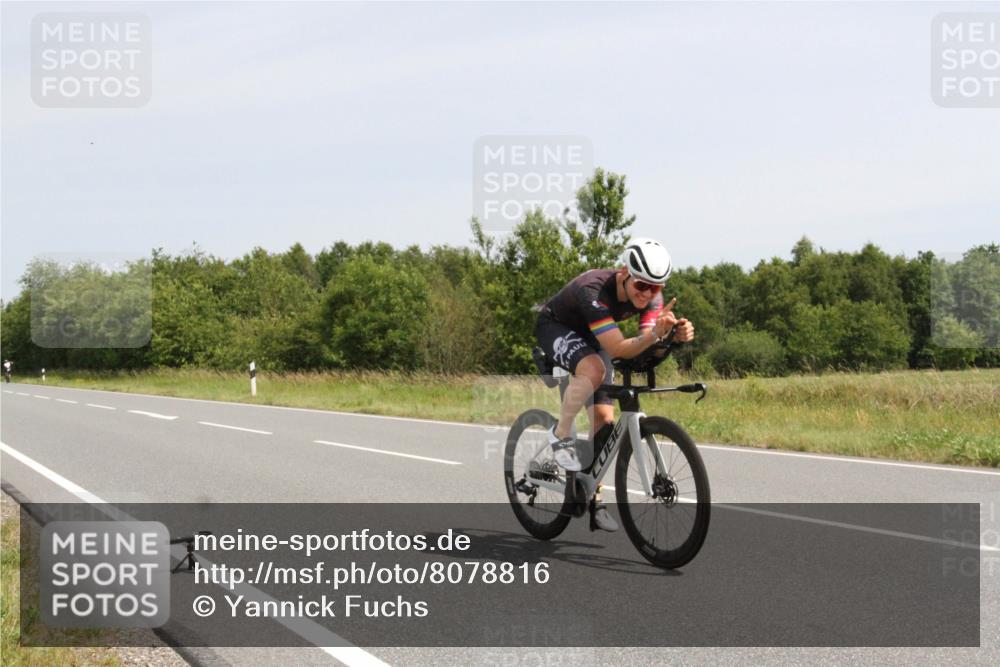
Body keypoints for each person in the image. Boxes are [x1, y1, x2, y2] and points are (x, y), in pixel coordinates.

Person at [533, 238, 696, 531]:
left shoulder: (652, 299)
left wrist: (672, 337)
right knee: (593, 369)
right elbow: (620, 348)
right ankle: (559, 435)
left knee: (605, 421)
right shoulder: (592, 290)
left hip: (596, 337)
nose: (647, 294)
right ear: (624, 273)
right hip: (557, 326)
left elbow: (644, 347)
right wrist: (653, 336)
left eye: (655, 287)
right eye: (641, 286)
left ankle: (592, 495)